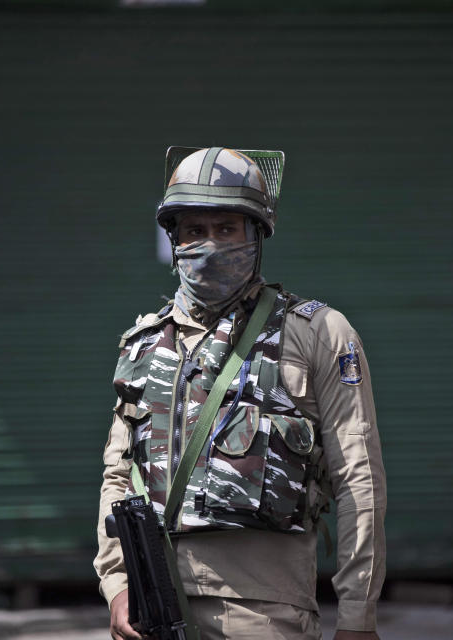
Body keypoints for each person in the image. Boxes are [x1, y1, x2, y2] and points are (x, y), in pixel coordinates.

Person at [95, 147, 386, 640]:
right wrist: (118, 582)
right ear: (174, 239)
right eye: (193, 231)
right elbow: (119, 475)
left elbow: (359, 479)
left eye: (226, 229)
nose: (208, 245)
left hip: (262, 610)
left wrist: (358, 616)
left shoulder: (316, 333)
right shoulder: (144, 343)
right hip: (152, 607)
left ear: (256, 237)